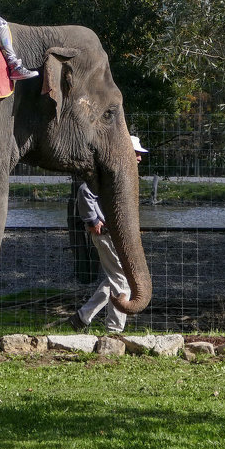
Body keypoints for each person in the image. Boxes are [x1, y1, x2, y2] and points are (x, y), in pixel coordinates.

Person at [69, 134, 149, 334]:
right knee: (122, 279)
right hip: (105, 233)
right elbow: (85, 191)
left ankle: (82, 317)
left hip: (115, 235)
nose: (139, 158)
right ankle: (114, 329)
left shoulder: (121, 175)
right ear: (126, 154)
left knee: (115, 278)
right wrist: (92, 220)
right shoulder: (111, 173)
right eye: (137, 153)